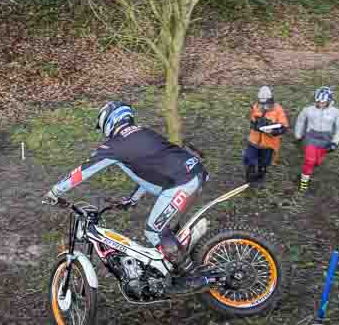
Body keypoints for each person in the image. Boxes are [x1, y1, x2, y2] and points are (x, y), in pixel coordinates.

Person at [43, 101, 210, 293]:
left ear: (109, 121)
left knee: (154, 231)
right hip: (192, 173)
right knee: (166, 228)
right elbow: (150, 170)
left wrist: (55, 192)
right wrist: (132, 199)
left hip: (183, 182)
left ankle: (193, 276)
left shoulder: (114, 146)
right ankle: (180, 261)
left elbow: (82, 172)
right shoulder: (143, 132)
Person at [294, 86, 339, 192]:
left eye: (323, 102)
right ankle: (304, 181)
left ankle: (309, 170)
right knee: (310, 160)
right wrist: (298, 135)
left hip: (325, 139)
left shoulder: (336, 112)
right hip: (311, 137)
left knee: (317, 161)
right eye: (318, 102)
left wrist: (334, 142)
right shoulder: (308, 110)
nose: (321, 104)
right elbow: (300, 121)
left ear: (329, 101)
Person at [243, 86, 289, 184]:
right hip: (254, 140)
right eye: (261, 103)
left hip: (268, 143)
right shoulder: (256, 107)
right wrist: (256, 125)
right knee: (249, 159)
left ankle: (260, 176)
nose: (263, 106)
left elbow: (284, 127)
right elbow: (252, 121)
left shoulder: (278, 110)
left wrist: (272, 130)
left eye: (265, 103)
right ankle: (249, 179)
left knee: (264, 162)